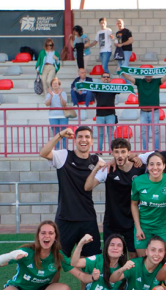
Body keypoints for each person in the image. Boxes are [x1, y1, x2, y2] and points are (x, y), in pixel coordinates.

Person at [39, 126, 103, 257]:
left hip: (87, 219)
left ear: (92, 141)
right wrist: (60, 135)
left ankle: (84, 279)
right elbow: (43, 153)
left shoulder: (97, 161)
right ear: (75, 140)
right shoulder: (64, 156)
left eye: (87, 137)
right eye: (80, 137)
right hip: (65, 218)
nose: (83, 140)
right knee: (56, 259)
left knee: (89, 261)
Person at [0, 221, 72, 290]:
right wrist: (12, 255)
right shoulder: (26, 252)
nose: (47, 236)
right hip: (20, 289)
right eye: (43, 233)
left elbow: (77, 267)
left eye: (50, 233)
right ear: (38, 236)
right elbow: (3, 260)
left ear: (55, 237)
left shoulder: (58, 255)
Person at [85, 138, 146, 258]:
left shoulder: (140, 169)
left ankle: (130, 277)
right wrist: (96, 169)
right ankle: (112, 277)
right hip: (112, 221)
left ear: (129, 153)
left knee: (133, 254)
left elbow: (155, 158)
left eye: (123, 152)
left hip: (132, 220)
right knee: (110, 256)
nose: (120, 155)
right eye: (116, 152)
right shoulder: (108, 170)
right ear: (112, 153)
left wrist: (136, 157)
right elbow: (88, 187)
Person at [131, 152, 166, 257]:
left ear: (164, 166)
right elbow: (134, 204)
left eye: (158, 164)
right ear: (147, 166)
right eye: (151, 164)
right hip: (144, 225)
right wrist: (138, 228)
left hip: (163, 226)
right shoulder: (138, 181)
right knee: (144, 260)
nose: (155, 167)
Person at [122, 69, 166, 151]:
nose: (148, 77)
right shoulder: (140, 82)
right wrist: (122, 71)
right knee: (144, 132)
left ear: (152, 75)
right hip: (143, 111)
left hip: (154, 111)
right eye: (147, 75)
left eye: (150, 75)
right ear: (144, 75)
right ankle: (145, 149)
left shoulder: (156, 81)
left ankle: (156, 149)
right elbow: (128, 77)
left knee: (156, 131)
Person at [94, 72, 119, 151]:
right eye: (104, 77)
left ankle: (111, 150)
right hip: (100, 115)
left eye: (107, 77)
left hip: (110, 114)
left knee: (111, 134)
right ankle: (99, 150)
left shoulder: (112, 87)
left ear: (110, 79)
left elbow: (120, 89)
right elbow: (88, 89)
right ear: (101, 78)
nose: (106, 78)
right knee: (100, 134)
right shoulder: (97, 88)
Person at [44, 78, 68, 150]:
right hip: (53, 116)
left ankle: (65, 150)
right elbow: (47, 104)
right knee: (56, 134)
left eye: (56, 83)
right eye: (53, 83)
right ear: (51, 85)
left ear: (59, 85)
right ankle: (57, 149)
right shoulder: (49, 94)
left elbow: (64, 104)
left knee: (64, 133)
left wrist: (60, 95)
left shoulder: (63, 93)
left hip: (63, 116)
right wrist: (51, 96)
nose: (55, 85)